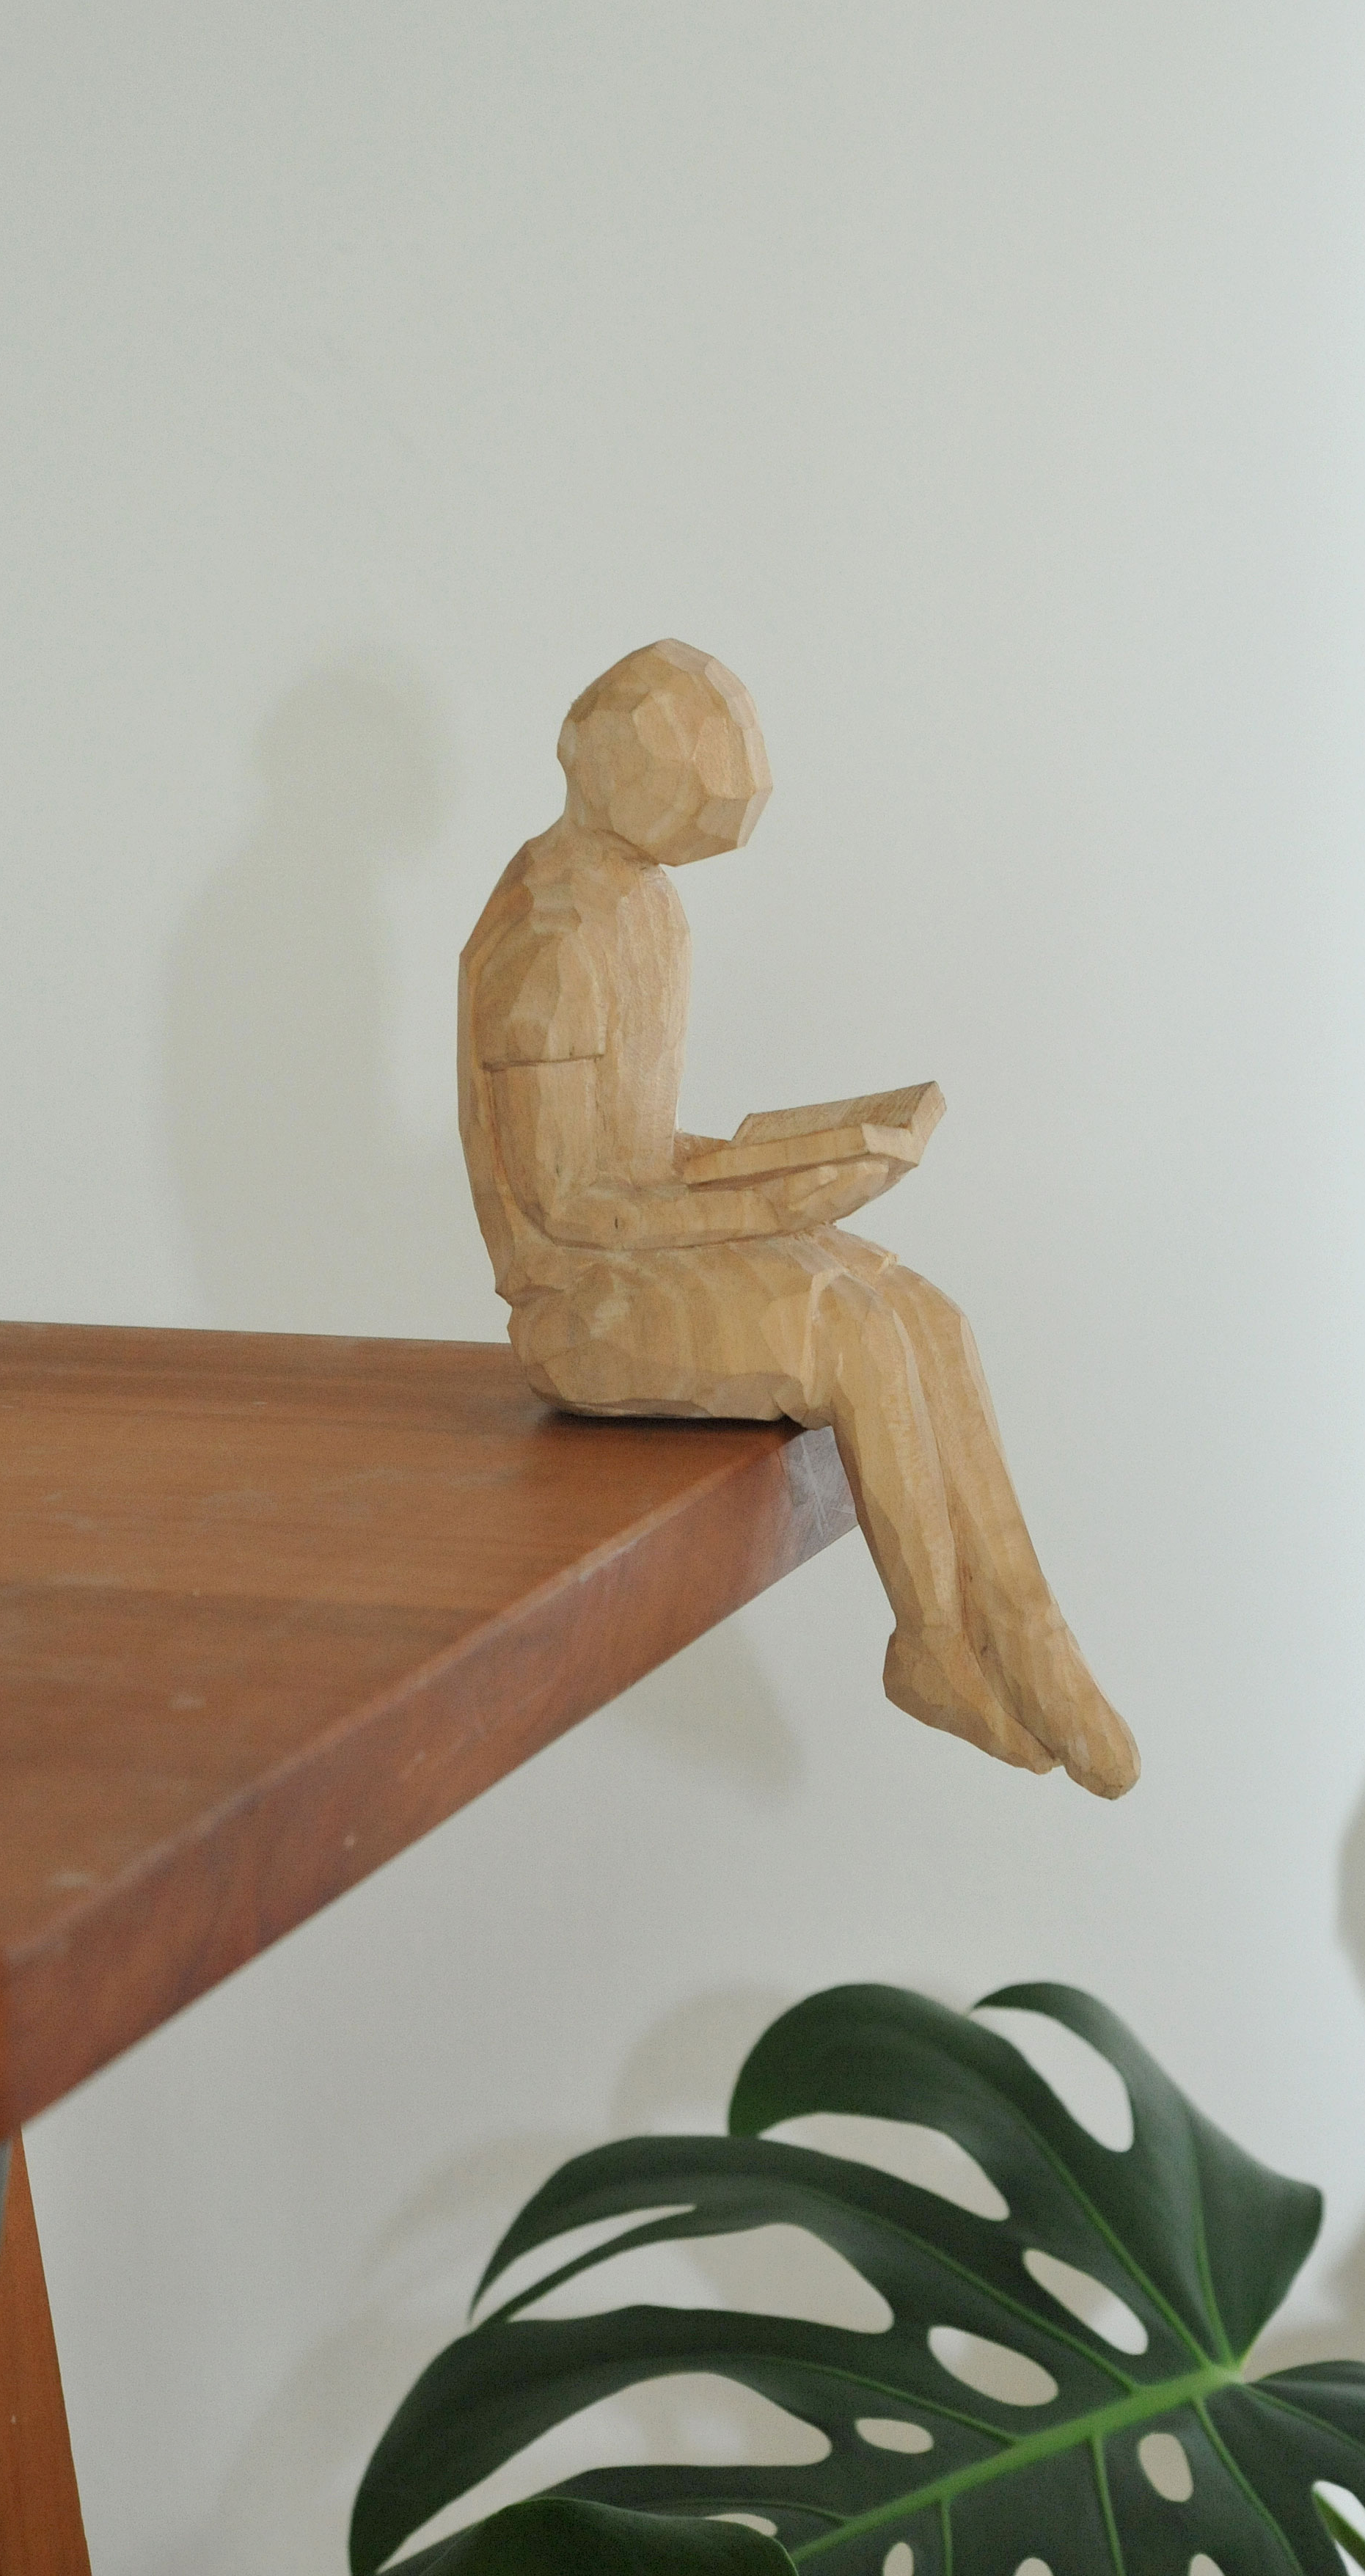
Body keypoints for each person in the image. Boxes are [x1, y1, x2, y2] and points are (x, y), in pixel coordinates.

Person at [458, 638, 1138, 1798]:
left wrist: (797, 1157)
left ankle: (1027, 1628)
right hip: (579, 1306)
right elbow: (565, 1209)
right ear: (600, 756)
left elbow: (639, 1150)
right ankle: (931, 1644)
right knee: (854, 1332)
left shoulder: (645, 909)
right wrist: (774, 1201)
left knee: (923, 1312)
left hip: (629, 1249)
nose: (731, 798)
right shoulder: (549, 941)